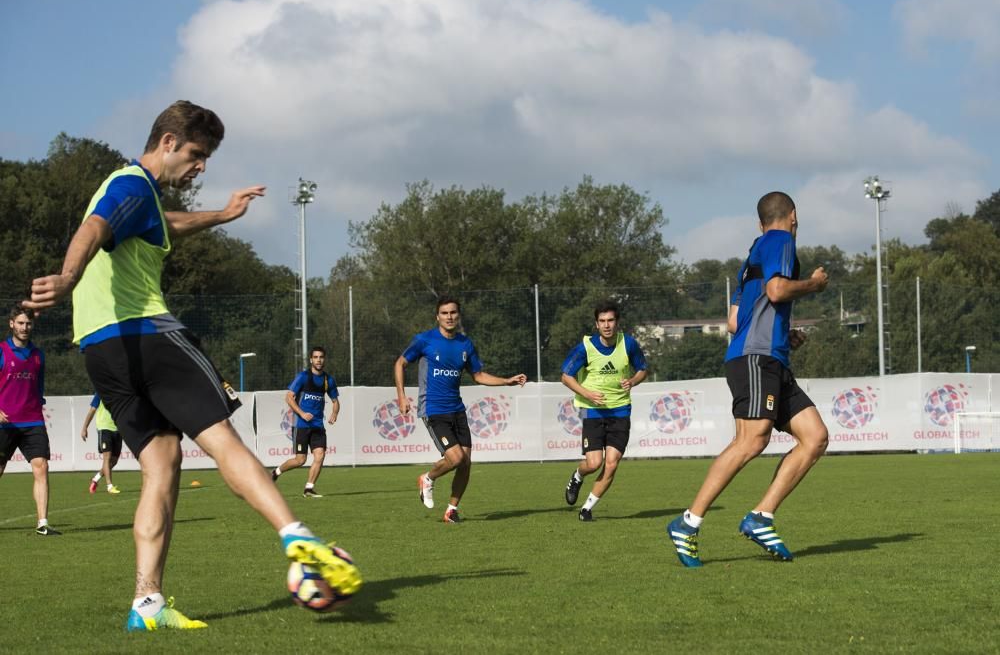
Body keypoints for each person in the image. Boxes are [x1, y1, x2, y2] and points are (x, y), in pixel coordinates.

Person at [23, 100, 361, 630]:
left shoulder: (145, 201)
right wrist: (67, 276)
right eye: (198, 155)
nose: (201, 167)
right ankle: (299, 540)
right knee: (221, 438)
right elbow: (92, 228)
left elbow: (168, 224)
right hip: (148, 334)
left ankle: (147, 604)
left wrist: (223, 215)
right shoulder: (131, 183)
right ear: (168, 143)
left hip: (101, 350)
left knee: (162, 466)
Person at [667, 191, 829, 567]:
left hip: (767, 356)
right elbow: (776, 290)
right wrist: (814, 285)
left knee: (815, 437)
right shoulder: (781, 240)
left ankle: (762, 516)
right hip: (757, 359)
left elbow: (734, 322)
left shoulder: (753, 255)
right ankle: (688, 523)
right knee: (751, 440)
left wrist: (784, 336)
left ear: (759, 222)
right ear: (793, 216)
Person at [394, 295, 527, 523]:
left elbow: (478, 375)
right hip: (434, 409)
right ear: (437, 316)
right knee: (454, 458)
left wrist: (506, 381)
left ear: (459, 315)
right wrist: (401, 395)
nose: (449, 317)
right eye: (444, 313)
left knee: (465, 463)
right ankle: (427, 478)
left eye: (453, 312)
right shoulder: (424, 340)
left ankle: (451, 510)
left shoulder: (465, 344)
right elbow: (400, 363)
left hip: (457, 409)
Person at [560, 301, 648, 521]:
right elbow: (566, 377)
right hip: (592, 411)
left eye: (610, 320)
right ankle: (578, 476)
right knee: (594, 463)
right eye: (602, 321)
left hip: (620, 411)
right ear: (596, 324)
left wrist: (633, 381)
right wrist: (587, 393)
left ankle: (587, 509)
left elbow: (643, 369)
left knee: (612, 463)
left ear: (617, 322)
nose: (607, 325)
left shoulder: (628, 344)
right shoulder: (585, 347)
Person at [0, 306, 61, 535]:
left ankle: (42, 523)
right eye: (21, 323)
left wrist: (37, 406)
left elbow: (39, 387)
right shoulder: (2, 351)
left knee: (42, 467)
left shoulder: (38, 355)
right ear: (11, 324)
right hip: (4, 423)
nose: (25, 327)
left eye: (28, 324)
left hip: (33, 421)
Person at [271, 346, 340, 498]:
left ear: (324, 359)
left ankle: (309, 489)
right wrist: (302, 413)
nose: (319, 360)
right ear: (311, 360)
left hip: (318, 426)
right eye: (315, 357)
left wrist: (334, 413)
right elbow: (289, 397)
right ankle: (276, 472)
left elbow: (335, 401)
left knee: (320, 455)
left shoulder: (328, 380)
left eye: (321, 357)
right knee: (300, 460)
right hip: (302, 425)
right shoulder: (303, 377)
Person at [80, 394, 122, 494]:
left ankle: (96, 478)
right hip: (104, 428)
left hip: (118, 429)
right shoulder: (100, 391)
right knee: (107, 457)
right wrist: (84, 428)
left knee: (114, 461)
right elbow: (92, 410)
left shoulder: (120, 391)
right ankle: (109, 486)